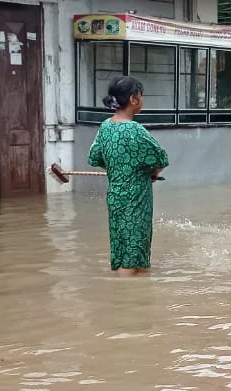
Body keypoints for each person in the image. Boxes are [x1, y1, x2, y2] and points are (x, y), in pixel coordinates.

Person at [87, 76, 169, 277]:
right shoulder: (135, 130)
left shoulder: (106, 126)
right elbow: (161, 158)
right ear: (133, 99)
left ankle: (135, 291)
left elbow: (94, 156)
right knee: (133, 255)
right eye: (141, 95)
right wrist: (152, 174)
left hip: (115, 196)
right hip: (136, 198)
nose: (142, 100)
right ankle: (125, 299)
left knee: (123, 247)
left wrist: (116, 167)